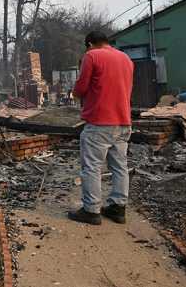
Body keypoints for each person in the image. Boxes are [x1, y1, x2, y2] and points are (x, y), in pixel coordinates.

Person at [68, 30, 134, 225]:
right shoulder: (126, 59)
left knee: (92, 167)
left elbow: (80, 89)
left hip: (99, 123)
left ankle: (91, 210)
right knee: (120, 167)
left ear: (89, 44)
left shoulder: (92, 56)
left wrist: (77, 92)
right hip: (123, 121)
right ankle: (118, 208)